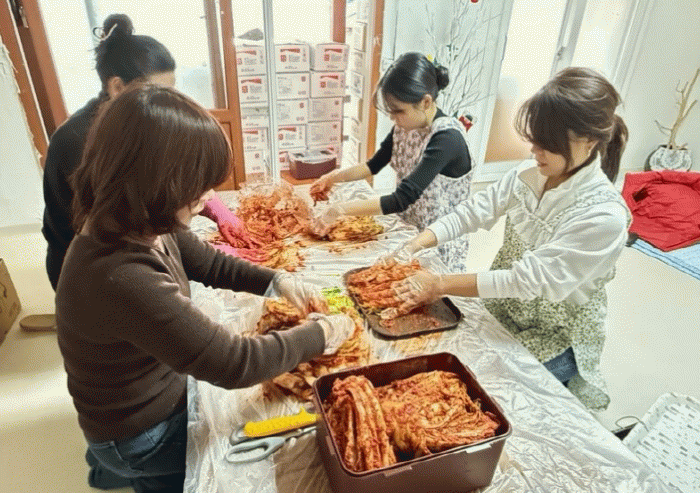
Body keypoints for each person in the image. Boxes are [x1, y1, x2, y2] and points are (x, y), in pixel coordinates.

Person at [56, 83, 355, 492]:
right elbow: (235, 363)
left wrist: (276, 280)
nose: (209, 197)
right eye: (197, 186)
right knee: (245, 450)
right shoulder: (120, 274)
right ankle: (131, 468)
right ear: (155, 183)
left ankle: (125, 471)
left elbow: (210, 263)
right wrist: (322, 333)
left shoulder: (139, 218)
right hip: (140, 432)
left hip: (153, 390)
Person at [388, 67, 630, 411]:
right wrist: (417, 242)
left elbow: (525, 280)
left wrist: (439, 284)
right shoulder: (529, 172)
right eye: (534, 140)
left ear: (588, 141)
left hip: (554, 336)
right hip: (503, 309)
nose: (535, 150)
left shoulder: (603, 216)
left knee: (481, 403)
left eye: (547, 144)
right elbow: (475, 210)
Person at [42, 13, 246, 294]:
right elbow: (138, 216)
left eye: (171, 90)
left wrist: (216, 210)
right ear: (117, 86)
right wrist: (203, 259)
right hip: (93, 270)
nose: (166, 101)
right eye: (156, 91)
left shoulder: (141, 123)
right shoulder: (80, 142)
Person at [310, 52, 473, 272]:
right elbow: (372, 166)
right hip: (409, 231)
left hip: (437, 243)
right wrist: (333, 178)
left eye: (398, 111)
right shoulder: (406, 126)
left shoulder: (447, 139)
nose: (392, 118)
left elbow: (402, 199)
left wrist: (339, 209)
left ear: (425, 102)